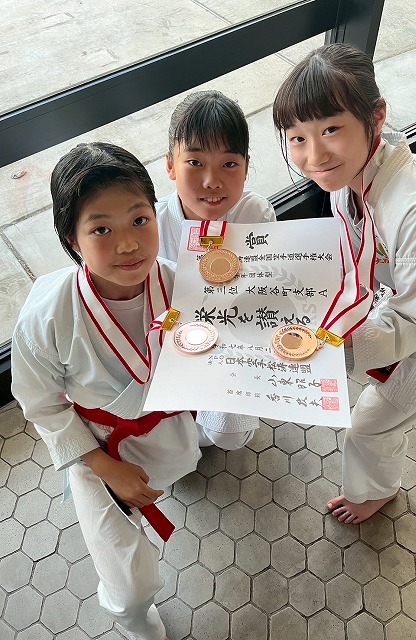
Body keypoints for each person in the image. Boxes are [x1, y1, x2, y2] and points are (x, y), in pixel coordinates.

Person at [273, 43, 416, 524]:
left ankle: (375, 491)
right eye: (297, 137)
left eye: (330, 129)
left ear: (377, 116)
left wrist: (334, 345)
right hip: (408, 294)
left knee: (369, 423)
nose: (313, 155)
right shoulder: (351, 178)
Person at [11, 142, 200, 640]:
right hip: (98, 446)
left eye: (139, 220)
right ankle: (134, 621)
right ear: (71, 240)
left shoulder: (182, 283)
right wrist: (103, 466)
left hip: (166, 425)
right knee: (130, 581)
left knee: (182, 464)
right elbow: (42, 406)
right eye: (101, 229)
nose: (129, 245)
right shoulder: (47, 316)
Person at [157, 89, 277, 447]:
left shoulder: (255, 214)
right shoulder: (152, 224)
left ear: (246, 166)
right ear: (170, 165)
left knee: (228, 433)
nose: (212, 181)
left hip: (233, 337)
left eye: (229, 164)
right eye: (195, 162)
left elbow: (268, 289)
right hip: (171, 343)